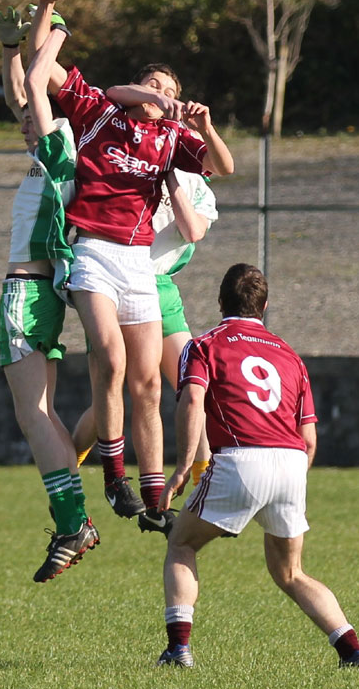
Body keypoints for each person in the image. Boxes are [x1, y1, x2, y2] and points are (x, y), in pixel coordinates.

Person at [30, 0, 234, 531]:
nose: (163, 91)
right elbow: (43, 73)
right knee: (110, 356)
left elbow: (224, 166)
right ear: (140, 87)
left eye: (169, 85)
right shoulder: (103, 113)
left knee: (148, 382)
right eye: (154, 82)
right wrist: (47, 10)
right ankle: (113, 475)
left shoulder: (172, 141)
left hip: (138, 261)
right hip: (93, 249)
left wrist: (204, 125)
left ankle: (152, 501)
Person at [155, 263, 359, 670]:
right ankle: (354, 652)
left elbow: (192, 402)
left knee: (182, 543)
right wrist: (283, 486)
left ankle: (178, 650)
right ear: (265, 306)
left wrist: (184, 466)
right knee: (291, 572)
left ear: (220, 303)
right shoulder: (290, 355)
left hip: (240, 458)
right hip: (291, 463)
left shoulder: (203, 345)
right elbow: (309, 439)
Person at [0, 7, 99, 583]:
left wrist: (53, 27)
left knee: (32, 418)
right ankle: (74, 515)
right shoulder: (51, 156)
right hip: (42, 295)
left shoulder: (59, 148)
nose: (24, 124)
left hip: (26, 293)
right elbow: (18, 95)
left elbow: (31, 90)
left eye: (35, 120)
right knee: (44, 415)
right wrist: (10, 45)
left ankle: (73, 520)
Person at [72, 168, 218, 534]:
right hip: (114, 278)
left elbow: (193, 230)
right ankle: (64, 464)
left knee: (194, 386)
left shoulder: (198, 187)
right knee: (111, 392)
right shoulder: (136, 159)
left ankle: (203, 489)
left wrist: (175, 180)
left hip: (162, 289)